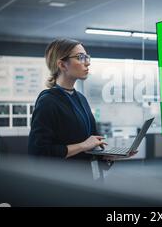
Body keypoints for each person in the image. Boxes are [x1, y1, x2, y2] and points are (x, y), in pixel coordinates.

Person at [28, 38, 133, 170]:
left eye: (87, 57)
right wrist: (83, 145)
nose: (87, 63)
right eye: (80, 57)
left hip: (87, 177)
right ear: (62, 65)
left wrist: (108, 155)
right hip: (64, 183)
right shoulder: (48, 101)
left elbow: (90, 144)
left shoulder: (81, 99)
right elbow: (39, 153)